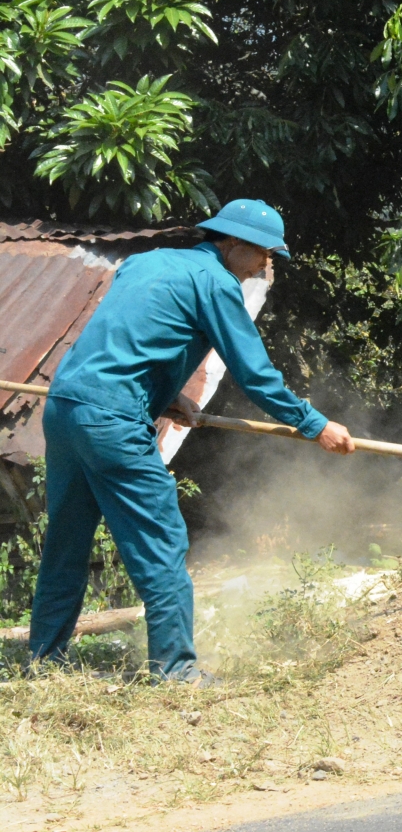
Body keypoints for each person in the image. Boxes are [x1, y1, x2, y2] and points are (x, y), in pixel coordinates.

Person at [28, 199, 353, 683]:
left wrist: (165, 394)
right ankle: (176, 673)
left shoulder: (147, 262)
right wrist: (315, 424)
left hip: (65, 406)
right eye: (264, 254)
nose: (265, 267)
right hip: (112, 421)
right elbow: (255, 375)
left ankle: (43, 663)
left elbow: (130, 339)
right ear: (234, 243)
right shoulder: (217, 283)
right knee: (162, 542)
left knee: (66, 543)